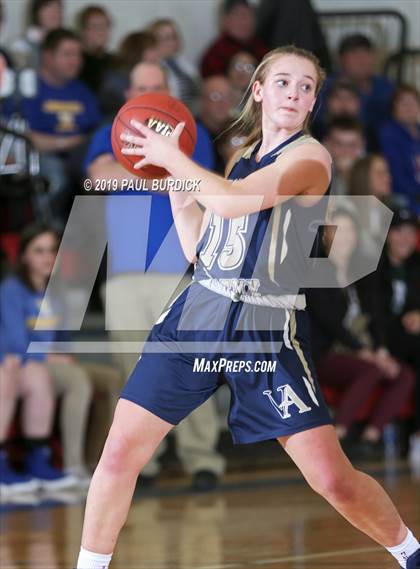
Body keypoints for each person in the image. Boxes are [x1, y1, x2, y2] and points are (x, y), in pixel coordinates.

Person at [76, 46, 420, 569]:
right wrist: (175, 190)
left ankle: (409, 552)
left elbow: (236, 201)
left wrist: (175, 160)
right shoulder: (243, 156)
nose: (294, 93)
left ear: (313, 102)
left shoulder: (312, 159)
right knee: (120, 455)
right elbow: (202, 252)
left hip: (263, 330)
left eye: (306, 87)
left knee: (332, 479)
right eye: (283, 82)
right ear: (258, 90)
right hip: (195, 318)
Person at [85, 60, 225, 491]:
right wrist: (160, 167)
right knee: (134, 375)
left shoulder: (189, 132)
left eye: (156, 86)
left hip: (180, 270)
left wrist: (145, 167)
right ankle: (142, 465)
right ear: (129, 91)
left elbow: (196, 184)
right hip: (124, 275)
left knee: (189, 370)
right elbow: (99, 177)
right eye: (140, 85)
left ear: (168, 93)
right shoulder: (105, 132)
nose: (147, 92)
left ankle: (202, 459)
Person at [307, 209, 415, 456]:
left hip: (357, 350)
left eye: (350, 230)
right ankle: (339, 436)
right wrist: (366, 354)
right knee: (372, 369)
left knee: (404, 374)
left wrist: (381, 350)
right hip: (325, 352)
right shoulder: (316, 272)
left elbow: (375, 316)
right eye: (338, 230)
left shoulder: (363, 273)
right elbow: (331, 324)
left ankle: (370, 437)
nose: (345, 237)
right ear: (326, 236)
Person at [17, 28, 101, 222]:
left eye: (78, 54)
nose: (76, 60)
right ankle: (50, 238)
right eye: (67, 54)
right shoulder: (29, 89)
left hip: (79, 158)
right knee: (56, 177)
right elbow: (28, 140)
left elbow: (95, 133)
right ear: (47, 56)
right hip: (40, 159)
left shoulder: (83, 91)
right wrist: (74, 141)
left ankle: (89, 243)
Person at [372, 209, 420, 470]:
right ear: (389, 235)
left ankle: (415, 436)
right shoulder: (375, 267)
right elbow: (374, 312)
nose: (406, 238)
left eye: (412, 232)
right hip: (382, 339)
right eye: (400, 231)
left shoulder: (416, 266)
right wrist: (379, 347)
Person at [379, 84, 420, 216]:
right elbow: (396, 176)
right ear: (393, 108)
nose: (409, 108)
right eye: (403, 103)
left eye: (413, 102)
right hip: (402, 196)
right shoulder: (389, 134)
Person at [200, 0, 267, 78]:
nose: (244, 21)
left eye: (248, 15)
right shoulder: (215, 54)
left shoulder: (262, 48)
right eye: (238, 15)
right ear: (225, 20)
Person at [148, 18, 200, 112]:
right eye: (164, 38)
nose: (170, 42)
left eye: (173, 37)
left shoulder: (184, 64)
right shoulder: (152, 69)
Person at [11, 0, 63, 70]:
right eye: (49, 8)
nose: (55, 13)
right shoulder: (20, 45)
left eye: (58, 8)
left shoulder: (66, 43)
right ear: (36, 12)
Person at [322, 116, 366, 196]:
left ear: (362, 145)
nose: (345, 151)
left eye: (352, 145)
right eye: (338, 144)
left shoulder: (371, 171)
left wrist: (347, 176)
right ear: (327, 144)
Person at [76, 5, 114, 95]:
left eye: (105, 26)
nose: (101, 32)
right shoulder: (75, 62)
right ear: (82, 31)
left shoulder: (115, 62)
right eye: (95, 26)